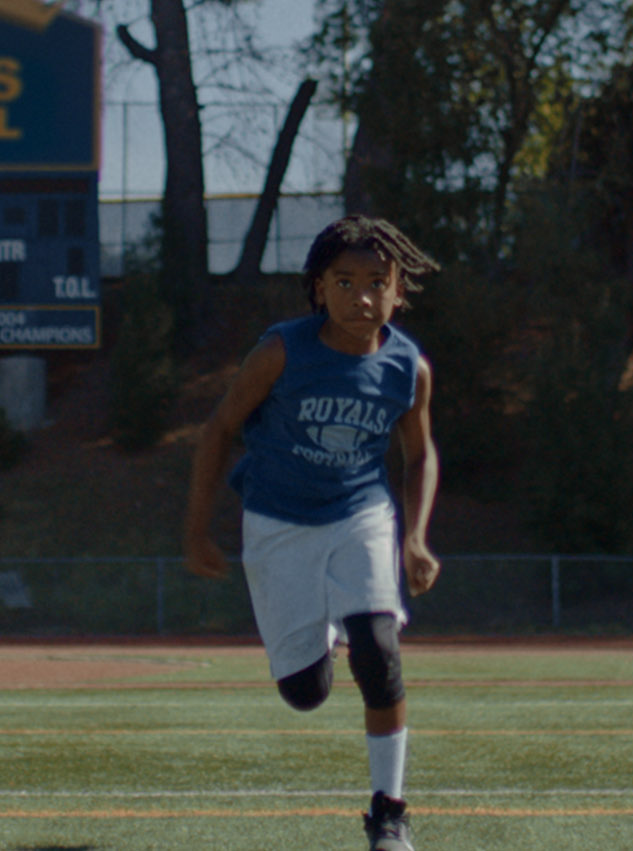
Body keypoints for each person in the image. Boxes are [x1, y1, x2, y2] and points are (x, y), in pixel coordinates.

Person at [183, 215, 443, 851]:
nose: (362, 297)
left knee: (379, 652)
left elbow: (419, 455)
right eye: (345, 282)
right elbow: (220, 428)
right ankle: (325, 633)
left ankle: (389, 812)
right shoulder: (281, 352)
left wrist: (415, 537)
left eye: (377, 282)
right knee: (304, 693)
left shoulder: (408, 367)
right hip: (278, 522)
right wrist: (197, 528)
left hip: (360, 513)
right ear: (319, 288)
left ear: (399, 290)